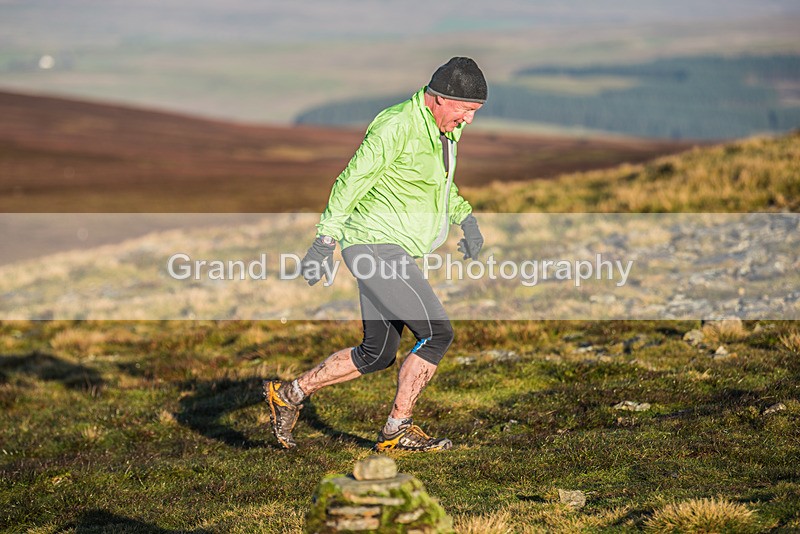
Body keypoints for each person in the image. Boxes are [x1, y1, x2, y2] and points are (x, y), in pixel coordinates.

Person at [264, 57, 487, 452]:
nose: (468, 120)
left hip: (390, 248)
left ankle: (289, 394)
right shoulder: (397, 126)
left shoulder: (445, 130)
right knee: (437, 334)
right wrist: (324, 242)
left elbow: (438, 185)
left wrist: (466, 220)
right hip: (374, 245)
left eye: (475, 112)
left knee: (377, 353)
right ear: (440, 98)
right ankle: (397, 428)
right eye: (465, 110)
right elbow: (351, 181)